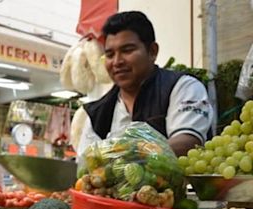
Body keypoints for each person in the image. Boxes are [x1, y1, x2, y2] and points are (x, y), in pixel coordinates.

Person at [77, 11, 213, 157]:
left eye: (127, 50)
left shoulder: (182, 87)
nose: (117, 62)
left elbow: (187, 143)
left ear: (152, 51)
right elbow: (86, 164)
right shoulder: (98, 113)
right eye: (110, 55)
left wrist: (123, 161)